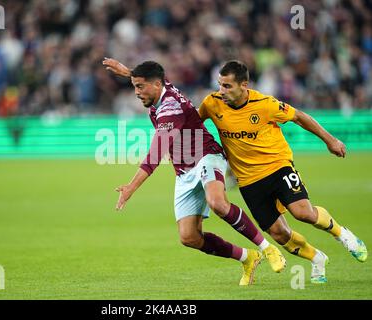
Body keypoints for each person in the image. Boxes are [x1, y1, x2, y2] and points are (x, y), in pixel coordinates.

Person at [103, 58, 286, 285]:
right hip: (184, 170)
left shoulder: (170, 108)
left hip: (206, 156)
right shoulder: (161, 88)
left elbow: (156, 153)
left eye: (140, 87)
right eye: (134, 86)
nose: (137, 92)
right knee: (189, 237)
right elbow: (155, 77)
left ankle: (267, 249)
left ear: (156, 85)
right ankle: (247, 257)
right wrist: (128, 72)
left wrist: (131, 187)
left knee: (218, 202)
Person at [198, 60, 367, 284]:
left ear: (244, 85)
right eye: (220, 85)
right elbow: (192, 124)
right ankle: (317, 258)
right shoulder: (212, 103)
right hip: (248, 180)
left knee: (303, 212)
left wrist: (330, 140)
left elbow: (299, 117)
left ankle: (342, 234)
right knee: (279, 234)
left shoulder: (265, 104)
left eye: (227, 86)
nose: (221, 91)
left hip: (277, 165)